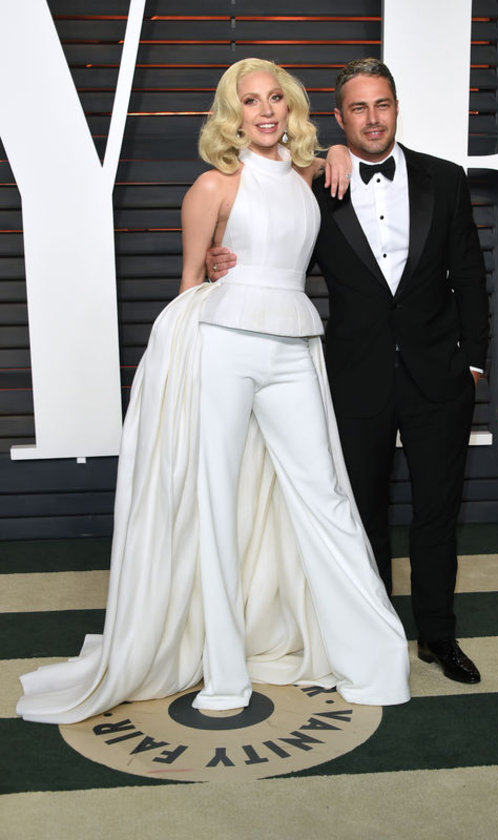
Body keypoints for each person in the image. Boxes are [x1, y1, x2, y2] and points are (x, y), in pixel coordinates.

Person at [16, 58, 410, 724]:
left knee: (326, 497)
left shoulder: (312, 175)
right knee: (216, 502)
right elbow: (191, 284)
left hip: (294, 346)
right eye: (250, 100)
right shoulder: (211, 186)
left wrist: (340, 149)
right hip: (223, 346)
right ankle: (225, 674)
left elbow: (332, 163)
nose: (265, 110)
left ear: (291, 107)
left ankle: (373, 659)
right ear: (233, 113)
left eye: (275, 98)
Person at [208, 58, 490, 685]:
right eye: (358, 108)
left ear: (397, 107)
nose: (373, 118)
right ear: (339, 117)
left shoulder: (445, 179)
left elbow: (470, 275)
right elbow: (274, 253)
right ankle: (374, 638)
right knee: (361, 513)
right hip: (354, 376)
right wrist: (220, 257)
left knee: (437, 512)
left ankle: (438, 636)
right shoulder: (313, 187)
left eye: (382, 104)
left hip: (439, 375)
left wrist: (473, 362)